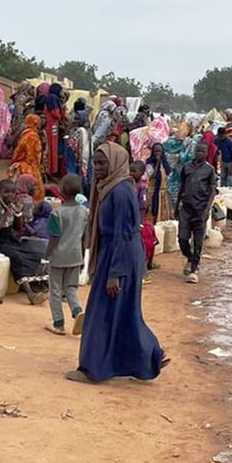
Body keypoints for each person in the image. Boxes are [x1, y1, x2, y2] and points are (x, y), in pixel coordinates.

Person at [67, 143, 168, 383]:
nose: (98, 168)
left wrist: (115, 273)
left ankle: (93, 369)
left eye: (103, 163)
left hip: (119, 257)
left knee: (102, 313)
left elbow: (123, 233)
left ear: (116, 163)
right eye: (96, 163)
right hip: (116, 254)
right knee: (121, 313)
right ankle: (149, 355)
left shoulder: (120, 192)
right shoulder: (111, 187)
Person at [0, 179, 47, 305]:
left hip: (11, 240)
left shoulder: (13, 206)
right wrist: (6, 212)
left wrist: (18, 213)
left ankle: (38, 285)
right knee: (16, 258)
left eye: (13, 192)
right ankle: (30, 294)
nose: (10, 195)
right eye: (6, 192)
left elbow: (18, 228)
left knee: (35, 253)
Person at [43, 174, 87, 336]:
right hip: (76, 255)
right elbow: (84, 236)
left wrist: (46, 255)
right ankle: (77, 312)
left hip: (58, 256)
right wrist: (82, 255)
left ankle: (58, 323)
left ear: (61, 190)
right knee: (70, 287)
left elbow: (54, 238)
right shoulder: (83, 211)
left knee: (55, 290)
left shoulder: (57, 213)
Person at [178, 142, 216, 284]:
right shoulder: (187, 167)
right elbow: (182, 186)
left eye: (202, 151)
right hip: (186, 209)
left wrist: (207, 210)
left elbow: (212, 191)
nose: (199, 153)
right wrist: (176, 207)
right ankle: (189, 257)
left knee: (198, 242)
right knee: (182, 239)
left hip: (200, 210)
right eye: (198, 150)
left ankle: (194, 270)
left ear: (206, 153)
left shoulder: (209, 170)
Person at [9, 114, 45, 201]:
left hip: (22, 164)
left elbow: (17, 152)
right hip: (29, 166)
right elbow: (32, 155)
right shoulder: (32, 136)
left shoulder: (25, 134)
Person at [146, 142, 174, 222]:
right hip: (152, 191)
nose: (157, 153)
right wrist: (158, 163)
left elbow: (168, 173)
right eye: (156, 151)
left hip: (162, 193)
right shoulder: (149, 162)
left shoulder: (164, 162)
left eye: (159, 151)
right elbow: (152, 176)